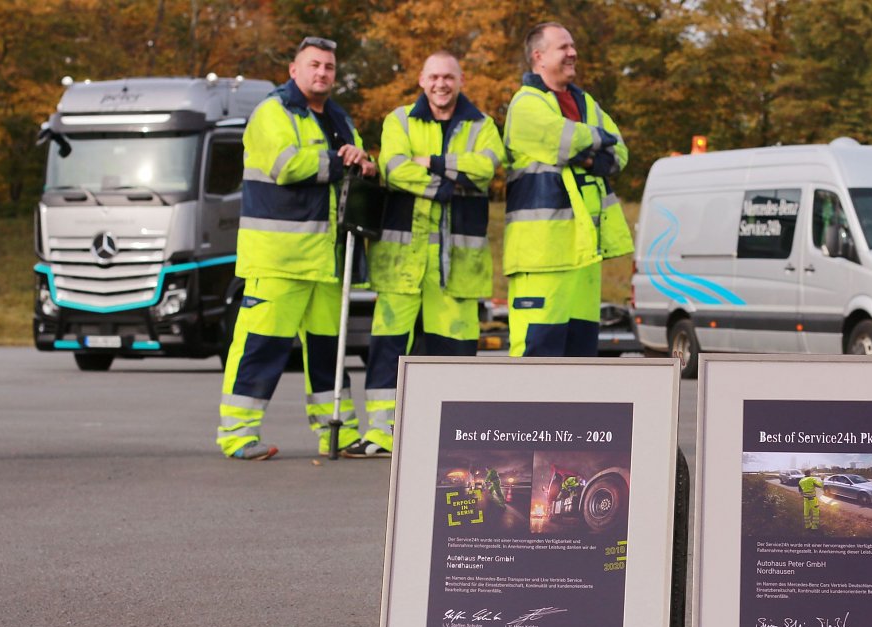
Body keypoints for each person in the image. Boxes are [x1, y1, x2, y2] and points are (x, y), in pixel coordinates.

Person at [217, 36, 376, 460]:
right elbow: (286, 165)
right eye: (314, 65)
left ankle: (335, 434)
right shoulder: (272, 112)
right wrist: (343, 160)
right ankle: (237, 435)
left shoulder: (340, 118)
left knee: (330, 353)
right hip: (278, 260)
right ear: (294, 70)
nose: (322, 73)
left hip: (326, 261)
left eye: (328, 67)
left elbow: (354, 166)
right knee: (260, 346)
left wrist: (363, 161)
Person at [343, 51, 502, 459]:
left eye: (448, 76)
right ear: (421, 79)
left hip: (457, 268)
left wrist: (428, 162)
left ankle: (454, 435)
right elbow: (394, 167)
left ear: (461, 80)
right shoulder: (399, 120)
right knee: (388, 351)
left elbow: (485, 168)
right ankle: (381, 433)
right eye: (434, 76)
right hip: (401, 264)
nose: (441, 84)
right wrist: (449, 184)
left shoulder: (482, 125)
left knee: (456, 355)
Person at [502, 22, 633, 357]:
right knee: (537, 357)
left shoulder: (585, 102)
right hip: (542, 257)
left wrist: (587, 155)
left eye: (573, 46)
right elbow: (569, 141)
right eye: (563, 47)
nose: (573, 53)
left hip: (584, 256)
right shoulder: (525, 105)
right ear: (539, 56)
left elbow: (619, 152)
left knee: (579, 362)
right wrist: (595, 145)